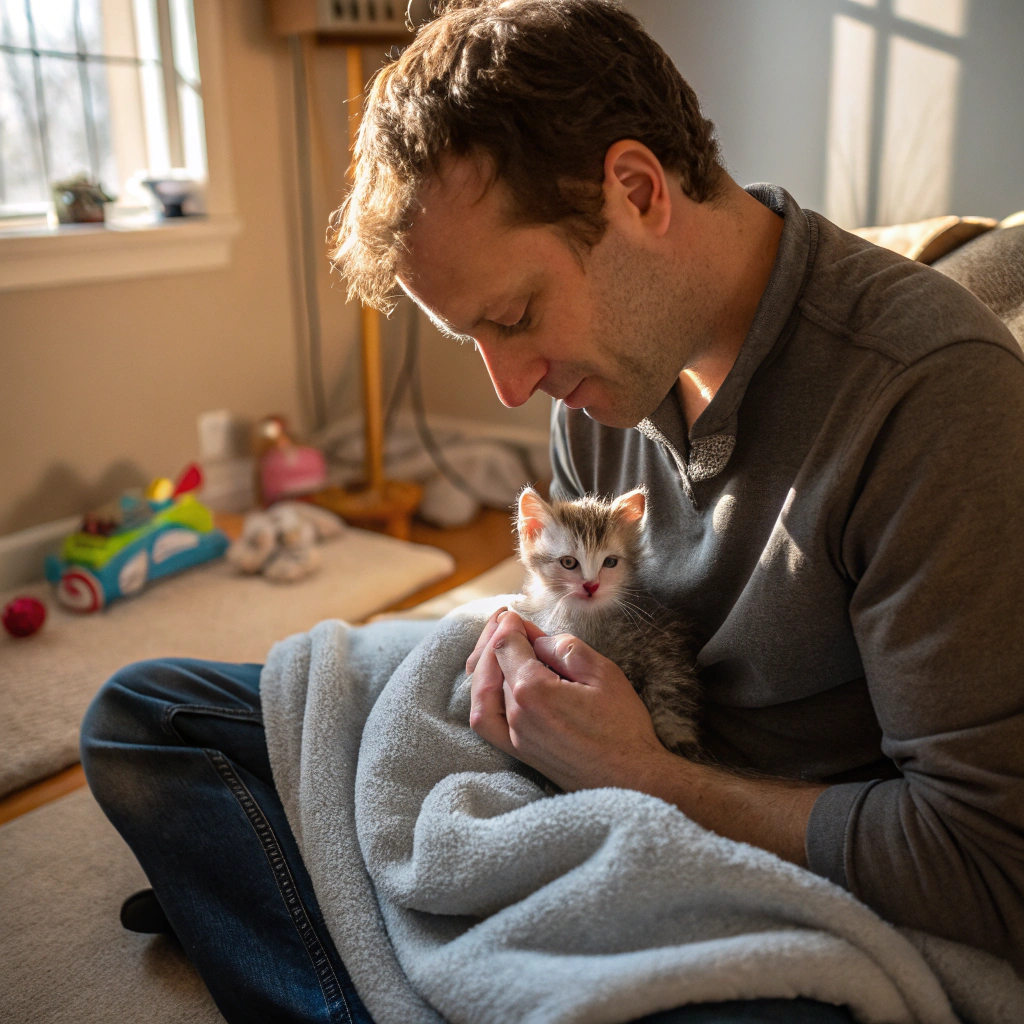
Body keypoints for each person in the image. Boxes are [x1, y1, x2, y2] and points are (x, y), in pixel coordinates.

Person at [81, 1, 1024, 1022]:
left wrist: (645, 775)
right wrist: (531, 671)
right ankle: (374, 943)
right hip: (594, 769)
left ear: (636, 191)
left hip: (764, 841)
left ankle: (323, 932)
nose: (509, 386)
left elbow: (990, 867)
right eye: (474, 338)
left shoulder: (931, 395)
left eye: (516, 316)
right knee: (143, 718)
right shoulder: (601, 383)